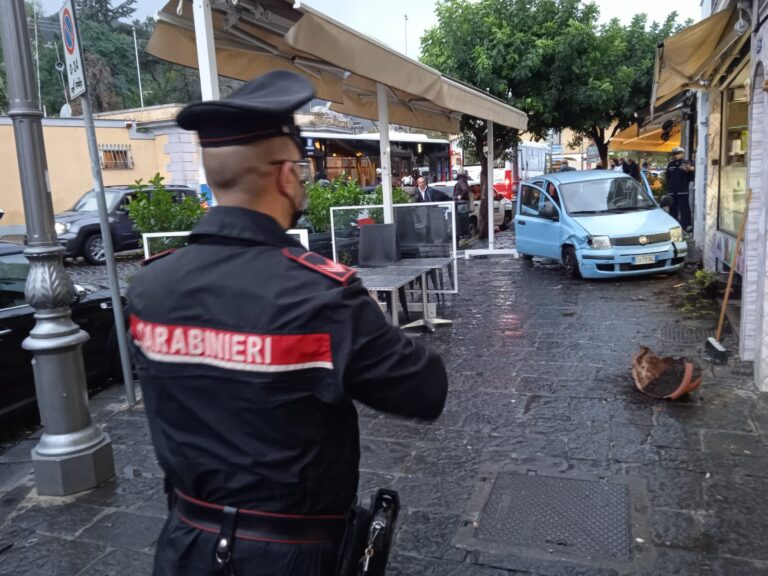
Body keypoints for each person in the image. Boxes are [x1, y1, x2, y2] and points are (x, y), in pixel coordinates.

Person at [127, 70, 448, 576]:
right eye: (299, 167)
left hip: (185, 547)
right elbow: (425, 389)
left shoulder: (149, 287)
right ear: (284, 175)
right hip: (295, 557)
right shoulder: (319, 296)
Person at [665, 145, 694, 232]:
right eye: (674, 154)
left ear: (682, 154)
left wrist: (689, 170)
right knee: (673, 209)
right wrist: (668, 188)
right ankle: (673, 226)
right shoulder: (670, 165)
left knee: (684, 209)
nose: (676, 155)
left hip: (683, 191)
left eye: (678, 153)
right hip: (672, 191)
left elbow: (692, 175)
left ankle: (686, 226)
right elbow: (668, 177)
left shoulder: (687, 163)